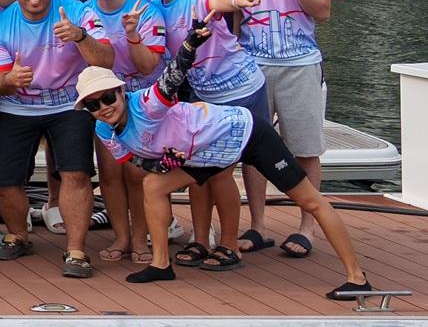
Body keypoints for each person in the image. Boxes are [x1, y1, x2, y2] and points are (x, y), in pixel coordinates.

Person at [80, 63, 374, 300]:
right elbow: (140, 164)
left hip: (248, 134)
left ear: (121, 92)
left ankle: (357, 277)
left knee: (311, 201)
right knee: (152, 184)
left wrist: (192, 42)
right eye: (94, 105)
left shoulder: (145, 102)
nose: (104, 107)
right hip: (207, 153)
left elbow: (174, 73)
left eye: (108, 98)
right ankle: (161, 264)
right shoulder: (105, 131)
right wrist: (164, 164)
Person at [227, 0, 338, 257]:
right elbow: (233, 18)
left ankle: (307, 227)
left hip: (300, 63)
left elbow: (323, 13)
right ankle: (257, 225)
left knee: (305, 147)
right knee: (254, 147)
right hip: (252, 64)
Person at [137, 0, 262, 265]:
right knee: (198, 166)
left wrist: (236, 1)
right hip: (201, 94)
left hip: (239, 91)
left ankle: (231, 243)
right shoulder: (152, 8)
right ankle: (202, 239)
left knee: (219, 171)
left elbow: (217, 1)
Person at [0, 0, 96, 276]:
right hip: (18, 106)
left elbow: (107, 59)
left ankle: (76, 251)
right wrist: (9, 80)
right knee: (3, 180)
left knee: (76, 174)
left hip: (69, 104)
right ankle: (18, 235)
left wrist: (81, 37)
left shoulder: (76, 11)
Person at [73, 0, 161, 264]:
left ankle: (140, 238)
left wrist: (132, 33)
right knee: (109, 173)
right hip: (105, 102)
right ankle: (121, 236)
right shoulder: (84, 11)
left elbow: (148, 66)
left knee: (137, 175)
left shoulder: (147, 10)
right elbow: (100, 60)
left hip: (141, 102)